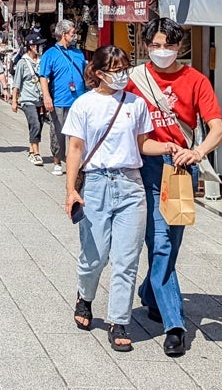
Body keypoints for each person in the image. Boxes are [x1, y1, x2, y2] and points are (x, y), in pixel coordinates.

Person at [126, 16, 222, 358]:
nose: (161, 51)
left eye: (168, 45)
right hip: (146, 167)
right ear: (145, 47)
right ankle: (175, 324)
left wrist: (197, 151)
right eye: (154, 45)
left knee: (171, 241)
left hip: (182, 169)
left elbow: (217, 128)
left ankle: (152, 292)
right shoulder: (135, 80)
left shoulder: (195, 80)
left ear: (180, 46)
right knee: (162, 243)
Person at [63, 45, 154, 350]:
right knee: (95, 256)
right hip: (97, 185)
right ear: (99, 73)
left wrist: (175, 148)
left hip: (131, 184)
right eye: (116, 69)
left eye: (126, 67)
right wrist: (71, 189)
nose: (123, 74)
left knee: (127, 259)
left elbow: (143, 145)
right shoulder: (84, 105)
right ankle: (84, 296)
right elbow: (75, 148)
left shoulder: (136, 104)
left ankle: (119, 320)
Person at [39, 21, 87, 177]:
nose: (75, 36)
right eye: (72, 33)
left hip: (79, 99)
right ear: (64, 34)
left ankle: (79, 161)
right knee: (58, 131)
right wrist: (46, 96)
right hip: (60, 99)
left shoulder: (79, 53)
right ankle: (57, 161)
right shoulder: (50, 54)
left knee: (79, 133)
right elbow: (43, 77)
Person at [10, 34, 47, 166]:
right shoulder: (22, 63)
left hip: (40, 99)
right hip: (27, 99)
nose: (40, 48)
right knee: (35, 123)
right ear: (31, 46)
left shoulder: (42, 61)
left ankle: (31, 150)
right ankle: (37, 154)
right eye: (38, 45)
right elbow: (16, 83)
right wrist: (14, 100)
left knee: (39, 125)